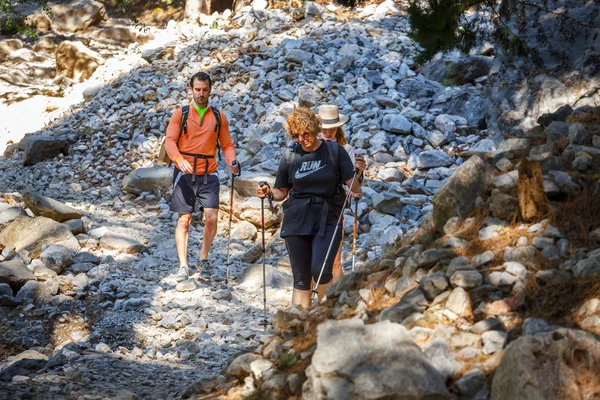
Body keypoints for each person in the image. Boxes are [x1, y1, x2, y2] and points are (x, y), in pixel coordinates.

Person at [256, 107, 366, 308]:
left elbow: (354, 188)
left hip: (328, 217)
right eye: (297, 135)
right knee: (301, 277)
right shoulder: (291, 155)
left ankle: (325, 316)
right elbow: (281, 190)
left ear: (314, 129)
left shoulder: (334, 151)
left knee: (321, 269)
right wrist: (269, 193)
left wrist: (359, 173)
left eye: (305, 133)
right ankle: (299, 326)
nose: (302, 138)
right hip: (297, 219)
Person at [164, 71, 239, 282]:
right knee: (184, 221)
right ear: (191, 90)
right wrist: (178, 160)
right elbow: (169, 141)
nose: (201, 94)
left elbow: (227, 144)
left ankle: (203, 260)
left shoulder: (218, 116)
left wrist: (232, 161)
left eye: (205, 90)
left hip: (209, 173)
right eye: (197, 90)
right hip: (184, 173)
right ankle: (183, 265)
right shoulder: (181, 114)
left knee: (212, 218)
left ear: (210, 90)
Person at [317, 104, 362, 283]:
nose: (328, 132)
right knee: (315, 261)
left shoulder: (346, 149)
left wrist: (357, 186)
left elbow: (351, 182)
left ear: (338, 127)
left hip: (335, 205)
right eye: (325, 128)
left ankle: (335, 304)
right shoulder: (310, 147)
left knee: (335, 260)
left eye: (333, 128)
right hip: (312, 206)